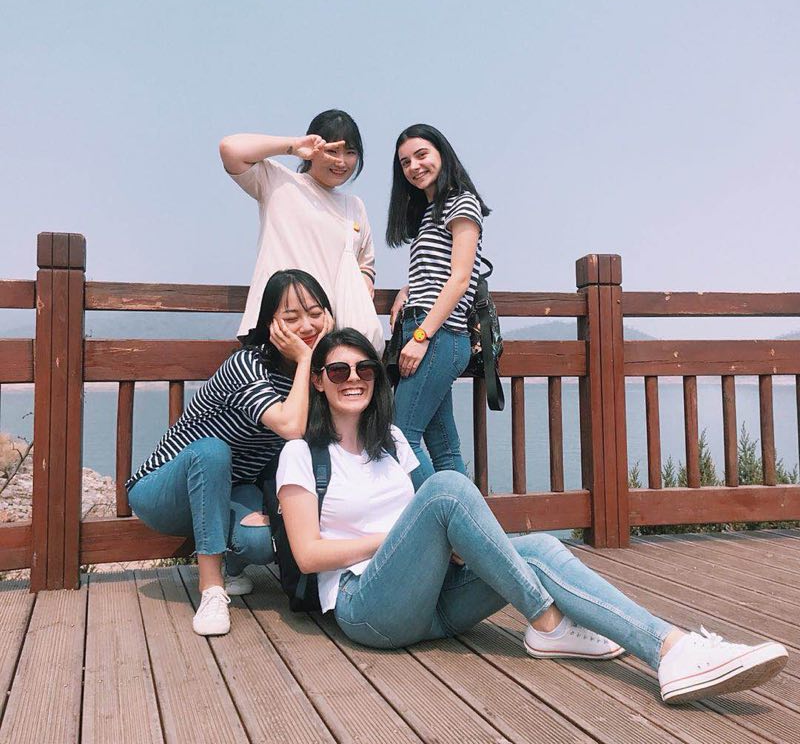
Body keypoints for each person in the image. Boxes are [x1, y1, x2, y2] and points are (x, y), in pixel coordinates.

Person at [275, 328, 788, 705]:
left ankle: (671, 650)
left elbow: (430, 518)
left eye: (364, 369)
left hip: (434, 603)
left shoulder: (395, 443)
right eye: (338, 371)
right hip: (369, 610)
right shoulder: (301, 454)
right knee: (449, 487)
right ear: (319, 381)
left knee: (540, 547)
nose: (353, 379)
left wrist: (450, 544)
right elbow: (308, 555)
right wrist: (392, 542)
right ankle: (547, 622)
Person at [127, 270, 333, 636]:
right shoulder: (247, 365)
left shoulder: (316, 376)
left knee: (260, 541)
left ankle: (230, 566)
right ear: (270, 324)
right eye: (291, 317)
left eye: (316, 313)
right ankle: (211, 589)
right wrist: (305, 359)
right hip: (164, 490)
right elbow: (290, 426)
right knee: (212, 451)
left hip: (232, 489)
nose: (306, 326)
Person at [219, 109, 384, 353]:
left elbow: (365, 263)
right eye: (332, 151)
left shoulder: (354, 207)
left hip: (327, 336)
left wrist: (365, 279)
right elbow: (230, 149)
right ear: (313, 149)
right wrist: (294, 146)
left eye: (350, 152)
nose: (341, 161)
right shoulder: (279, 182)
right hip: (278, 331)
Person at [385, 124, 489, 487]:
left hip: (438, 333)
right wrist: (407, 290)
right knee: (444, 447)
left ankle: (437, 513)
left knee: (398, 437)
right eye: (405, 162)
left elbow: (460, 278)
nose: (414, 166)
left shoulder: (462, 201)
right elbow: (437, 271)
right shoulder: (430, 211)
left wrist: (421, 335)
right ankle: (463, 521)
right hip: (429, 330)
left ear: (442, 153)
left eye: (421, 155)